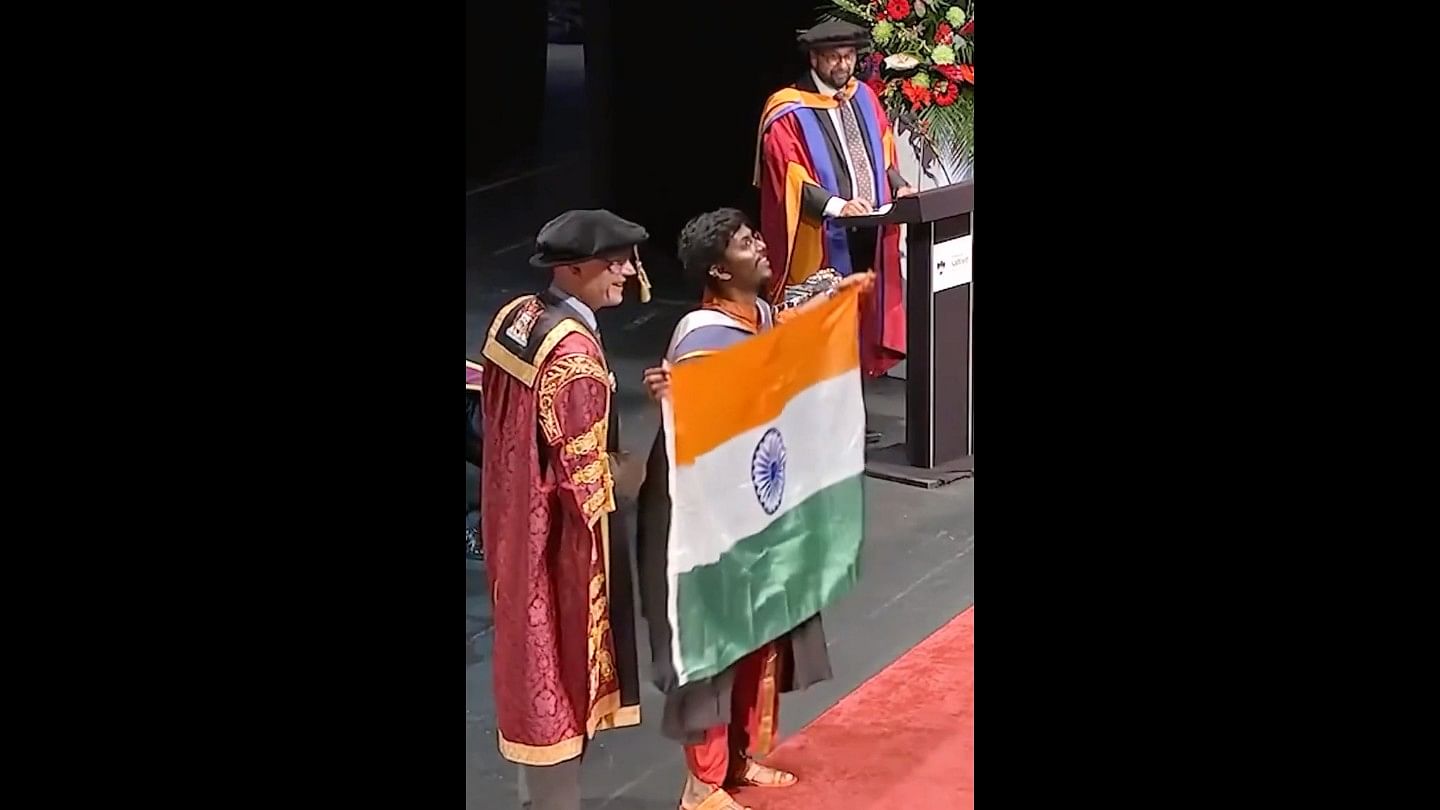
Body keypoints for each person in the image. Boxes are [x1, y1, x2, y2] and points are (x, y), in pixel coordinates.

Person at [636, 208, 868, 810]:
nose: (761, 246)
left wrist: (834, 304)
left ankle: (737, 759)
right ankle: (700, 785)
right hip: (703, 512)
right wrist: (679, 394)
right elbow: (703, 414)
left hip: (754, 502)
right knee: (714, 639)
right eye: (745, 243)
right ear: (719, 268)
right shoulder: (700, 337)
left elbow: (784, 345)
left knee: (755, 632)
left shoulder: (758, 315)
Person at [479, 209, 650, 810]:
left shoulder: (516, 317)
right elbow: (585, 478)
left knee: (527, 663)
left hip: (510, 517)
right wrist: (635, 478)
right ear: (573, 268)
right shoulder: (575, 355)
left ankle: (537, 799)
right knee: (561, 666)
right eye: (616, 263)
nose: (628, 272)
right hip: (557, 542)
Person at [754, 18, 912, 380]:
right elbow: (789, 176)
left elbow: (883, 151)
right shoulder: (788, 110)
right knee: (822, 326)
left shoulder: (864, 96)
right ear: (814, 59)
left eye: (849, 56)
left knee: (859, 319)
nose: (842, 65)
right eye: (833, 58)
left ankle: (851, 414)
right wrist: (839, 206)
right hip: (820, 235)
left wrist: (899, 184)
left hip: (870, 230)